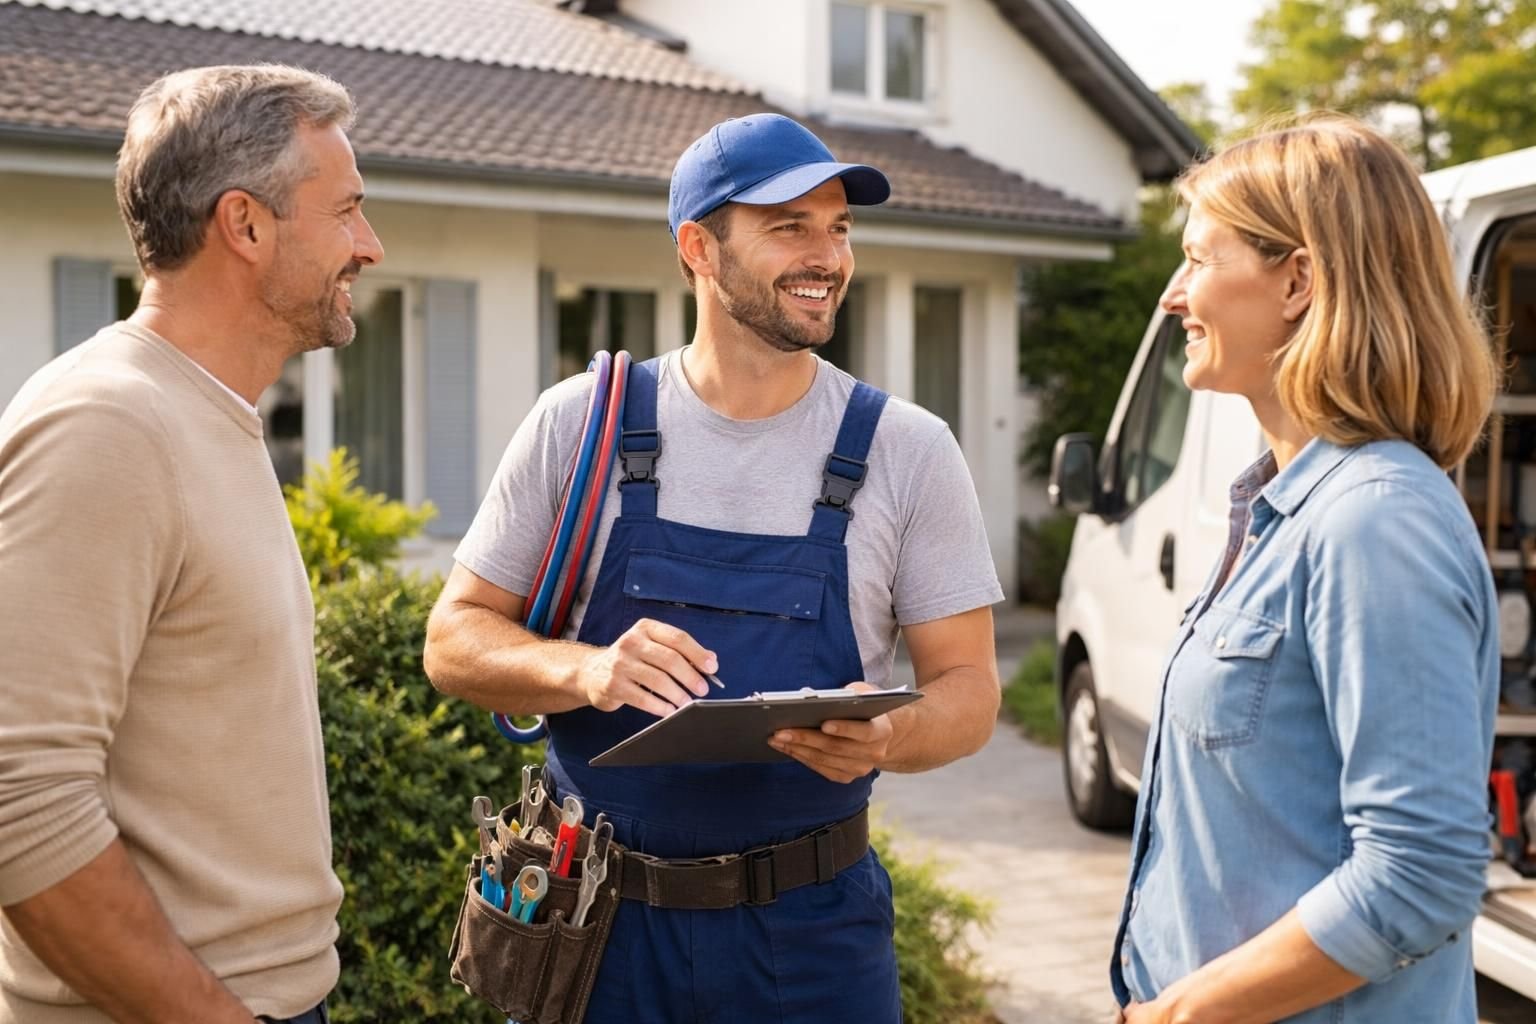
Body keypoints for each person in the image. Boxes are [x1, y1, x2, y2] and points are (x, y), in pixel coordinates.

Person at [424, 112, 1002, 1022]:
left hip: (815, 938)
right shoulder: (584, 424)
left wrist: (892, 738)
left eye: (840, 226)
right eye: (790, 226)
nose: (828, 255)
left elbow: (969, 690)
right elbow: (453, 641)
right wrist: (585, 668)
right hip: (598, 934)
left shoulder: (908, 449)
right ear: (699, 246)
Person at [0, 65, 384, 1023]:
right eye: (345, 211)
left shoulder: (207, 416)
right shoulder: (109, 425)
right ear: (245, 225)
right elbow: (20, 797)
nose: (369, 247)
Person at [1111, 114, 1499, 1023]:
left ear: (1300, 281)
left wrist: (1179, 1013)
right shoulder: (1279, 503)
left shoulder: (1374, 518)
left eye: (1199, 258)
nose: (1173, 294)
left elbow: (1418, 873)